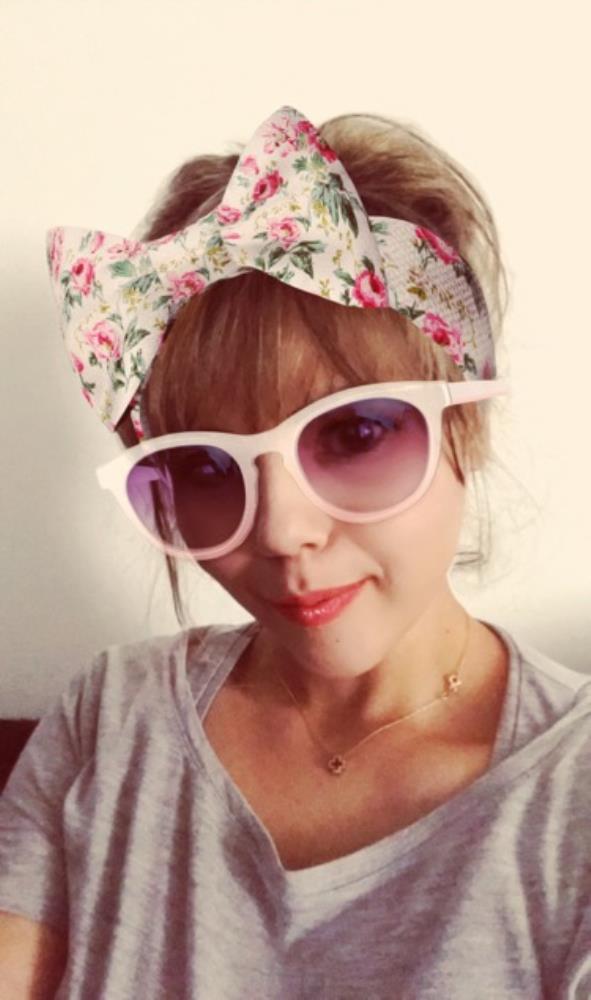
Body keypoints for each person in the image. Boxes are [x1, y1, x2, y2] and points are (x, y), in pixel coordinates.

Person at [0, 104, 589, 999]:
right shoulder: (111, 719)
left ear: (464, 421)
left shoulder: (570, 796)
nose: (280, 533)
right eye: (203, 467)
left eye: (354, 433)